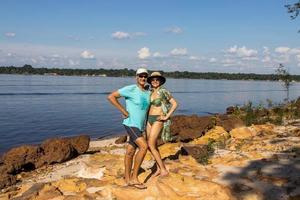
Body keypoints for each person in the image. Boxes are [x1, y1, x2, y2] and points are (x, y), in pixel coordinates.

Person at [107, 68, 150, 189]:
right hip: (130, 123)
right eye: (140, 76)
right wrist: (123, 110)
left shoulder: (147, 92)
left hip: (140, 126)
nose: (143, 78)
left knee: (130, 151)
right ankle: (134, 178)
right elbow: (111, 97)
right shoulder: (131, 89)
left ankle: (127, 178)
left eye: (145, 76)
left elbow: (145, 111)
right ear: (136, 77)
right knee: (144, 147)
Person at [146, 71, 178, 177]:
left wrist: (166, 116)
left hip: (157, 119)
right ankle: (159, 168)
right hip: (148, 120)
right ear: (150, 81)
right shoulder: (149, 92)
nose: (155, 81)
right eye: (153, 79)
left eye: (157, 79)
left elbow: (175, 104)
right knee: (151, 146)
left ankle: (163, 169)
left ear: (160, 81)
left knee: (151, 144)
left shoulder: (163, 91)